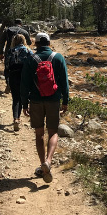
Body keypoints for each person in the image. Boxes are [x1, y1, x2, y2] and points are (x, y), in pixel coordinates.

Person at [20, 32, 69, 184]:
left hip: (35, 101)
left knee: (39, 133)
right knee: (53, 131)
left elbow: (24, 84)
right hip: (53, 100)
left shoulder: (30, 59)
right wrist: (65, 100)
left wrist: (24, 103)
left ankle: (42, 165)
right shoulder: (58, 57)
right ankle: (48, 161)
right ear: (48, 42)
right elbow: (64, 82)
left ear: (35, 44)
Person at [4, 34, 32, 132]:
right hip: (24, 75)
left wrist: (7, 79)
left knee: (15, 98)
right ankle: (31, 115)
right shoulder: (28, 50)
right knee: (24, 96)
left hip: (13, 75)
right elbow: (32, 62)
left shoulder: (11, 51)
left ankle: (16, 118)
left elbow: (6, 65)